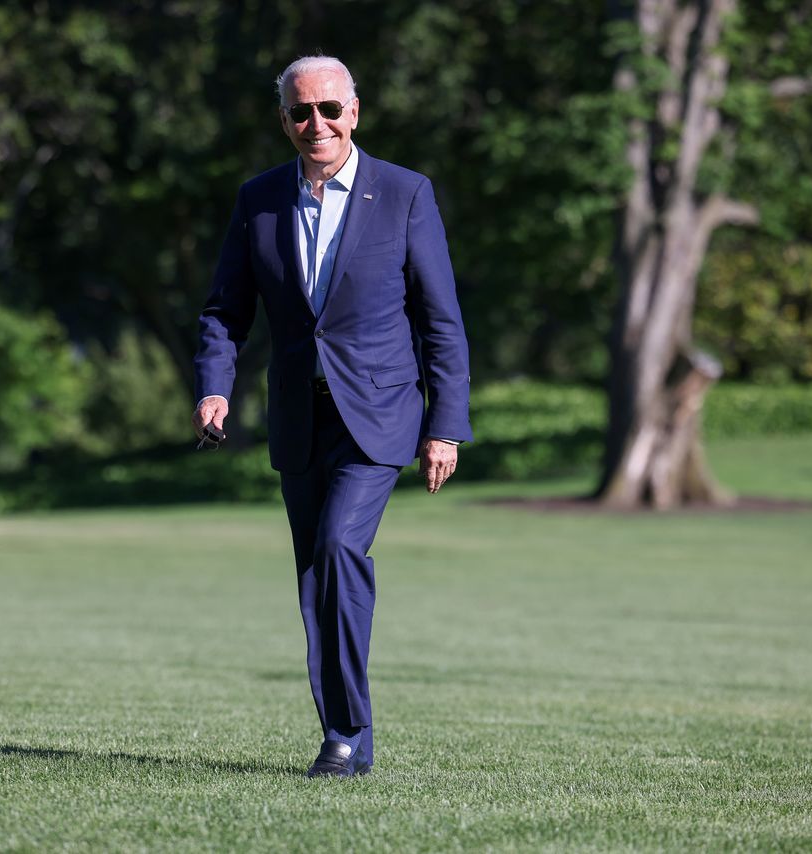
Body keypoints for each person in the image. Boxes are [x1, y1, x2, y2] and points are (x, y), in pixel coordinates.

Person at [192, 55, 472, 778]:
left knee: (342, 549)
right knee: (315, 573)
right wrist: (214, 387)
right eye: (299, 112)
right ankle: (348, 737)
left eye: (329, 109)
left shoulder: (405, 194)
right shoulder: (258, 200)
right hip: (296, 417)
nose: (315, 124)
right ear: (283, 119)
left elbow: (440, 319)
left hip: (377, 418)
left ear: (355, 111)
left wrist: (445, 426)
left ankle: (344, 736)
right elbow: (225, 311)